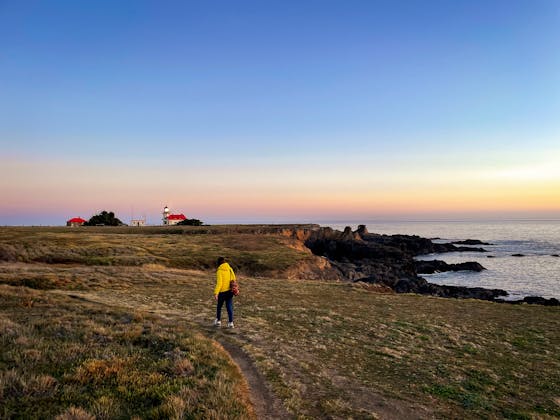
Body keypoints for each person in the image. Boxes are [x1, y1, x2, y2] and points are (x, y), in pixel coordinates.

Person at [213, 256, 236, 328]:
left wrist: (216, 293)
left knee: (219, 306)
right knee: (229, 306)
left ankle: (218, 321)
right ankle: (231, 322)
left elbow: (219, 283)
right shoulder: (230, 269)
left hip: (222, 292)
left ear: (218, 263)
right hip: (230, 291)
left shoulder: (219, 271)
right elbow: (234, 279)